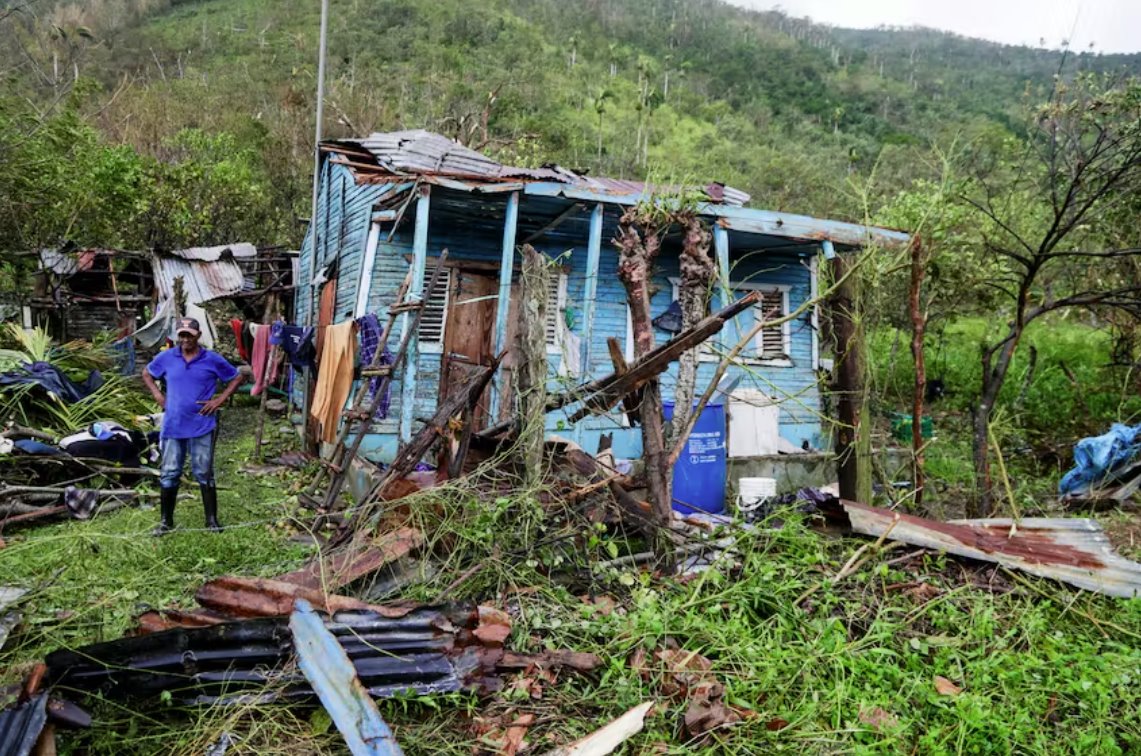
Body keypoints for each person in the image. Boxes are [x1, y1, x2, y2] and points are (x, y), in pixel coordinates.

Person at [142, 317, 245, 535]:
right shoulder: (167, 358)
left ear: (198, 335)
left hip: (201, 425)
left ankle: (211, 521)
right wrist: (158, 395)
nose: (185, 339)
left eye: (189, 334)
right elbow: (147, 373)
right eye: (182, 334)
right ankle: (165, 522)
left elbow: (236, 377)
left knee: (204, 472)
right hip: (173, 425)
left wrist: (219, 400)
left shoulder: (212, 359)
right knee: (169, 472)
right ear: (177, 336)